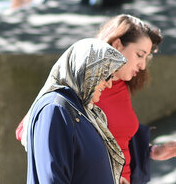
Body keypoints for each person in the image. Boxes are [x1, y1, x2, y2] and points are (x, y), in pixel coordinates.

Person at [95, 14, 176, 184]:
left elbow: (119, 139)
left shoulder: (121, 84)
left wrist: (151, 151)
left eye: (146, 57)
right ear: (117, 44)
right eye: (140, 55)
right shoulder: (82, 88)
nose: (143, 65)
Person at [20, 38, 128, 184]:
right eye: (107, 75)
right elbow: (52, 178)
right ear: (88, 69)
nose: (109, 84)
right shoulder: (55, 108)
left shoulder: (81, 110)